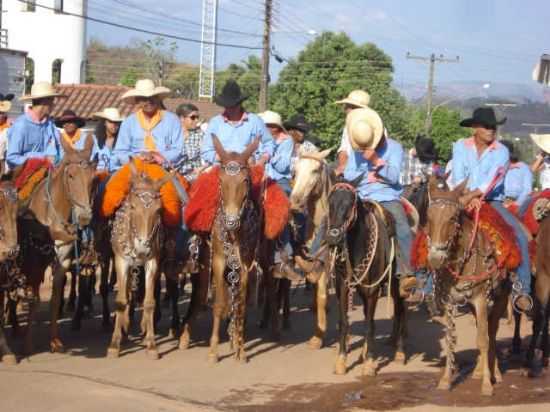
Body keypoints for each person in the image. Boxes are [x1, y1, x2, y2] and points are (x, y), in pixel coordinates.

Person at [452, 107, 532, 312]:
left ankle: (521, 289)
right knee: (436, 229)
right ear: (475, 128)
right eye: (487, 126)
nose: (491, 130)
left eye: (493, 127)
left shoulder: (502, 151)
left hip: (492, 201)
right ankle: (429, 283)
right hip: (463, 198)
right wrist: (466, 197)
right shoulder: (460, 146)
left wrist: (473, 197)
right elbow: (459, 174)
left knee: (520, 236)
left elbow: (493, 181)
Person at [342, 107, 417, 297]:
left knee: (402, 225)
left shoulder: (395, 147)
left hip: (387, 197)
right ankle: (318, 261)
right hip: (361, 196)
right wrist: (368, 175)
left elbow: (393, 176)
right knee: (334, 218)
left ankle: (407, 272)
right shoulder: (357, 148)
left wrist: (376, 161)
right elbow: (348, 173)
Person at [260, 110, 300, 280]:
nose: (266, 128)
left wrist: (269, 153)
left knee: (281, 210)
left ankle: (283, 256)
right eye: (264, 125)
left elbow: (283, 166)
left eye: (269, 126)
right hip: (258, 179)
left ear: (277, 128)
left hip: (278, 181)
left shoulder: (286, 141)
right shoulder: (256, 138)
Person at [111, 79, 183, 170]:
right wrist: (139, 158)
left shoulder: (172, 120)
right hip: (135, 169)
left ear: (157, 98)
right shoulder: (128, 123)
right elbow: (120, 151)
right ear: (137, 101)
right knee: (113, 184)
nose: (148, 101)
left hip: (164, 168)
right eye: (144, 99)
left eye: (152, 97)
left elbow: (178, 149)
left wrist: (155, 156)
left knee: (181, 184)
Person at [201, 80, 273, 165]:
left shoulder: (255, 121)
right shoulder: (215, 123)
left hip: (249, 168)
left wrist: (262, 160)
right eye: (227, 106)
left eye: (233, 106)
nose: (230, 109)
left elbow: (269, 143)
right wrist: (223, 157)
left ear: (240, 104)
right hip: (222, 168)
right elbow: (206, 151)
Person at [6, 82, 63, 169]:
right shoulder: (21, 125)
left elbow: (59, 150)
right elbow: (12, 158)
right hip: (23, 176)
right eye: (52, 100)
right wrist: (41, 158)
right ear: (44, 102)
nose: (54, 105)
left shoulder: (50, 125)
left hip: (48, 174)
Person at [333, 89, 371, 175]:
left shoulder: (374, 127)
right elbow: (344, 149)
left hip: (368, 172)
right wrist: (343, 166)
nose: (345, 109)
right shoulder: (348, 127)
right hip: (350, 170)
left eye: (347, 106)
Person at [175, 103, 205, 182]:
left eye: (197, 117)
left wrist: (201, 168)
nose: (196, 120)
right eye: (193, 117)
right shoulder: (172, 134)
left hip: (194, 177)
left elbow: (210, 156)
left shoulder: (200, 135)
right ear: (182, 118)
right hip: (174, 177)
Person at [501, 140, 533, 216]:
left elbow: (527, 190)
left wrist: (516, 203)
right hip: (500, 202)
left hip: (518, 203)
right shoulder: (498, 168)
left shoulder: (524, 168)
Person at [0, 93, 15, 173]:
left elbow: (11, 151)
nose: (0, 115)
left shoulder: (9, 128)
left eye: (1, 113)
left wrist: (6, 171)